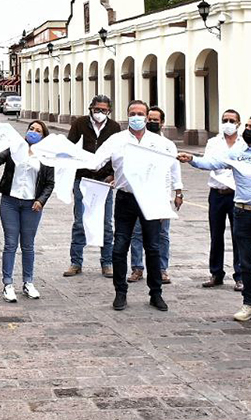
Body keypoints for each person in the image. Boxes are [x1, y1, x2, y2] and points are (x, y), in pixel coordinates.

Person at [180, 115, 251, 328]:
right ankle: (250, 302)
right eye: (247, 126)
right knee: (246, 261)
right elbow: (213, 163)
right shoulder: (236, 153)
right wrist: (192, 160)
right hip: (242, 212)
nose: (248, 130)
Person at [103, 100, 172, 312]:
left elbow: (167, 171)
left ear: (146, 115)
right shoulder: (117, 140)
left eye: (140, 113)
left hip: (150, 198)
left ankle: (156, 293)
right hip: (125, 198)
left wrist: (166, 201)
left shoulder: (159, 142)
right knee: (120, 245)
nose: (137, 117)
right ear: (127, 115)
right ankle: (120, 292)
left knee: (152, 247)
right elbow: (96, 161)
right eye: (133, 113)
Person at [0, 121, 55, 302]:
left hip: (31, 205)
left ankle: (28, 282)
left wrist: (41, 200)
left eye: (38, 131)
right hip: (10, 201)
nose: (33, 132)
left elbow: (49, 183)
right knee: (10, 243)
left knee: (28, 244)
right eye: (31, 129)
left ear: (43, 136)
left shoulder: (46, 156)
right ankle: (8, 284)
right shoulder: (16, 147)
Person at [63, 94, 122, 278]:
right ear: (91, 108)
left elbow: (117, 153)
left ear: (109, 111)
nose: (100, 113)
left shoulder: (114, 127)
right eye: (97, 109)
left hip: (104, 181)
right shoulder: (79, 124)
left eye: (104, 110)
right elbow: (69, 149)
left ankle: (107, 262)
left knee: (106, 223)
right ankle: (76, 262)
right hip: (83, 178)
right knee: (80, 221)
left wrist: (113, 174)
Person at [128, 106, 183, 284]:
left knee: (162, 235)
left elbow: (175, 169)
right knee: (136, 233)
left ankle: (162, 269)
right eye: (149, 119)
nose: (151, 122)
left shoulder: (168, 145)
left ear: (162, 122)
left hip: (162, 195)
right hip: (139, 194)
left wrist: (178, 191)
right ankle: (137, 268)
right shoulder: (136, 143)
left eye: (155, 120)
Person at [201, 109, 248, 290]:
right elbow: (208, 162)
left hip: (237, 194)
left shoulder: (244, 144)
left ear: (238, 123)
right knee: (216, 234)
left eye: (232, 120)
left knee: (239, 235)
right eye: (225, 120)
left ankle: (240, 275)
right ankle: (216, 273)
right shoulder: (213, 142)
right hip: (217, 193)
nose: (228, 123)